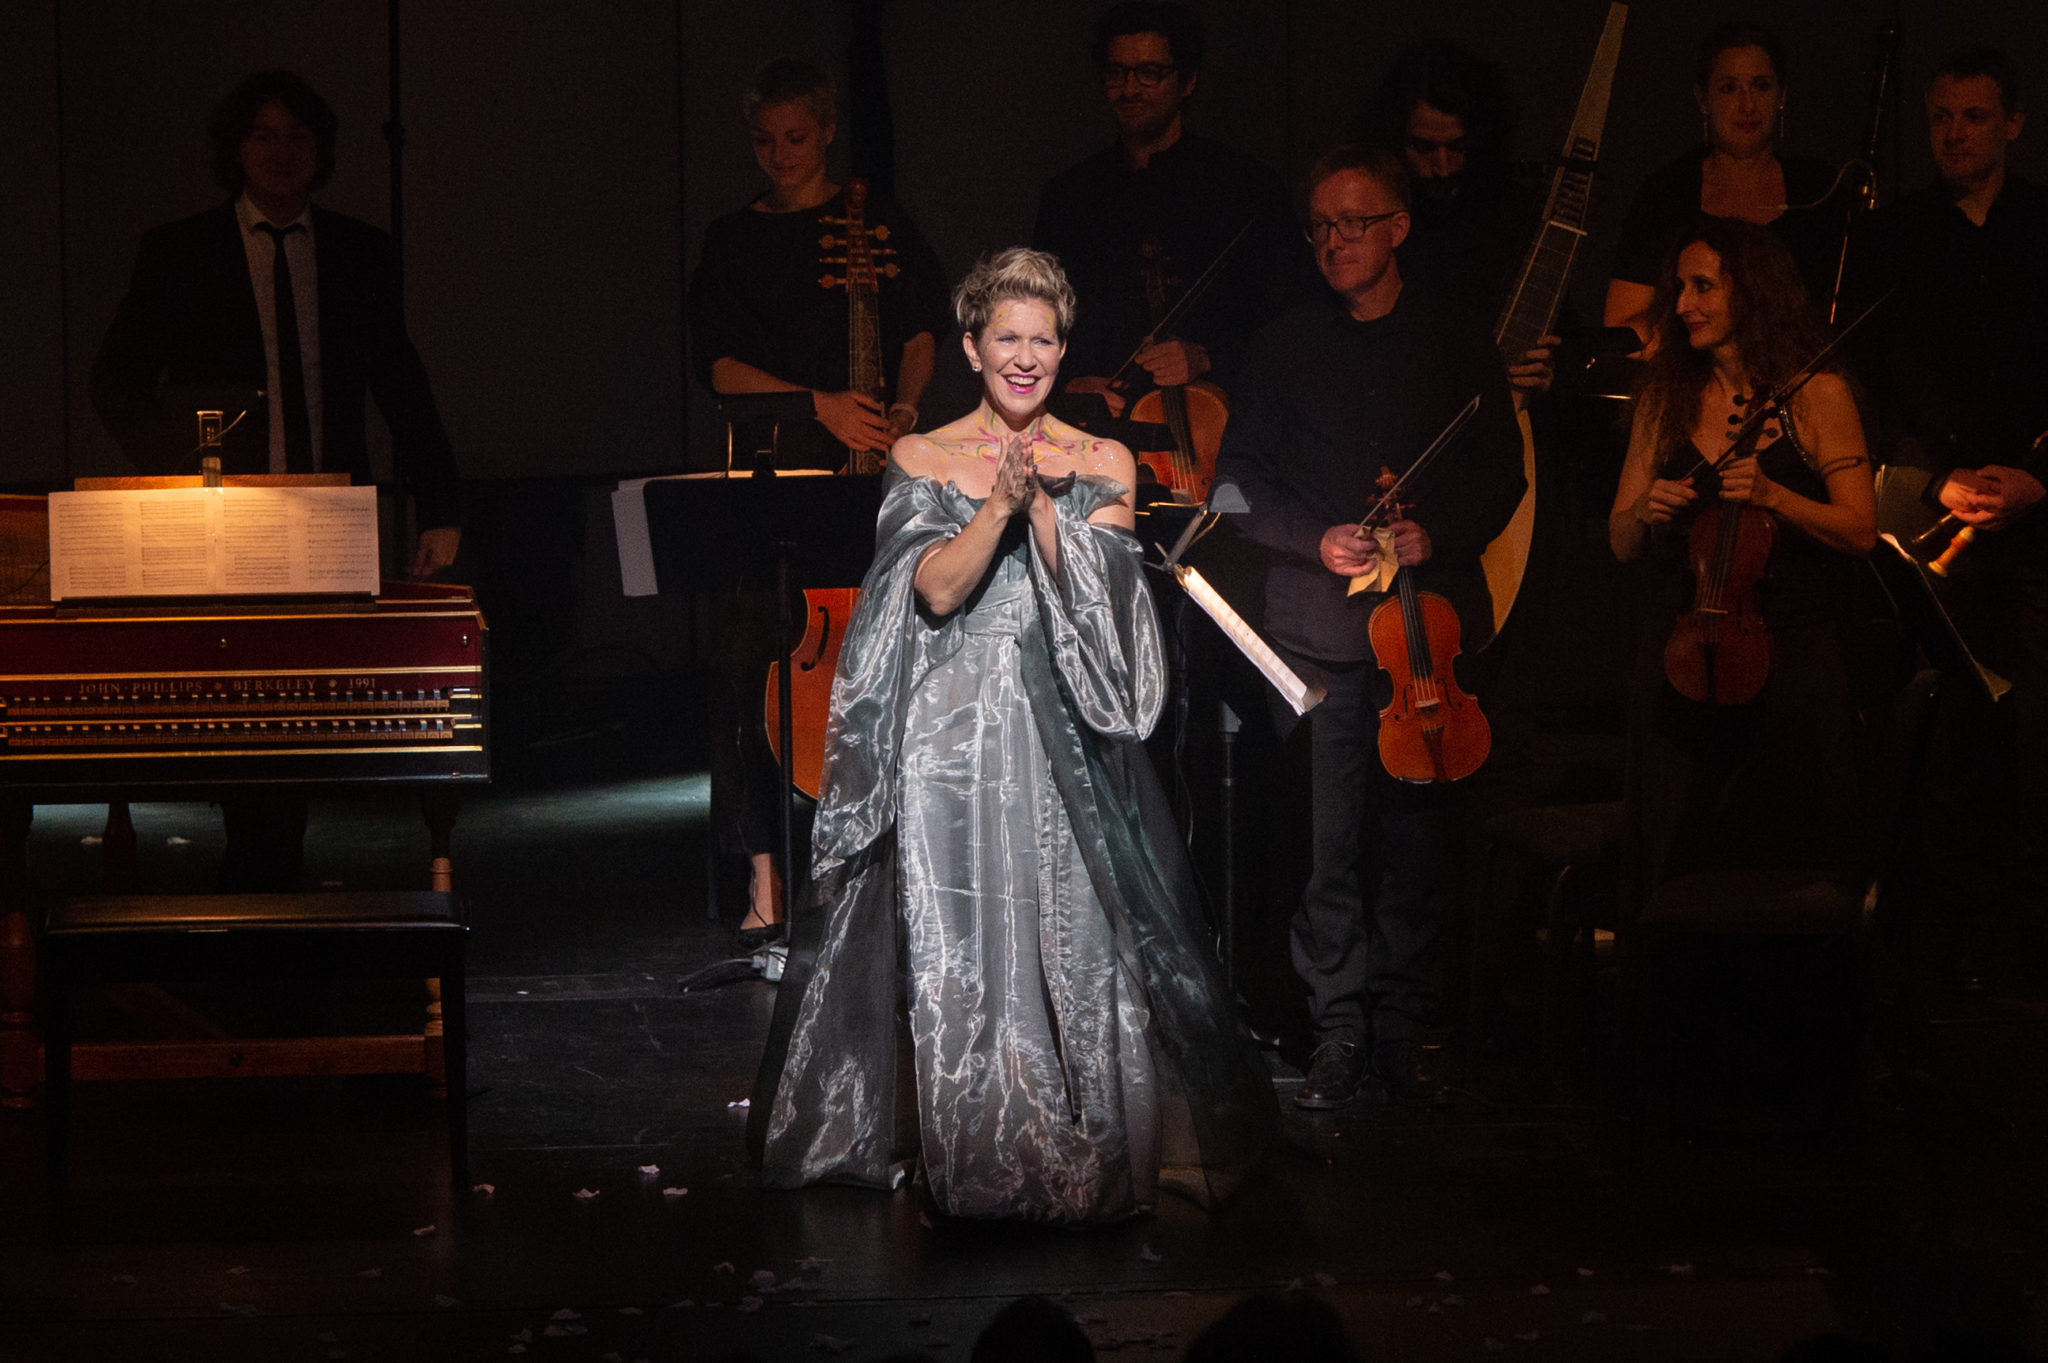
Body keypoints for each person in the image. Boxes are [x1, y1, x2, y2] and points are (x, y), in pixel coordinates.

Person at [748, 248, 1274, 1221]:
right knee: (964, 943)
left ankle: (1086, 1148)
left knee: (1077, 938)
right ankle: (981, 1154)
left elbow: (1113, 619)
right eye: (1006, 340)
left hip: (1065, 725)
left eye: (1042, 340)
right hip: (949, 734)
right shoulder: (921, 458)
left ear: (1062, 349)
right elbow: (934, 589)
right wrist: (997, 504)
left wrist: (1045, 518)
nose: (1023, 358)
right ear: (971, 347)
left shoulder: (1104, 461)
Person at [89, 70, 463, 892]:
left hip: (329, 509)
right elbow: (113, 380)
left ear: (321, 151)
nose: (281, 153)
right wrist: (179, 470)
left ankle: (272, 879)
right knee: (239, 698)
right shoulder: (181, 249)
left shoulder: (361, 251)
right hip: (223, 516)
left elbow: (402, 385)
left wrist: (440, 507)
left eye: (298, 137)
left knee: (307, 705)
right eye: (262, 135)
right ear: (233, 149)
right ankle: (260, 878)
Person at [1213, 146, 1526, 1109]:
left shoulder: (1456, 338)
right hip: (1320, 633)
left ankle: (1406, 1023)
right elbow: (1233, 488)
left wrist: (1438, 531)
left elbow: (1501, 470)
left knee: (1417, 842)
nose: (1334, 242)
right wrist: (1317, 538)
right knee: (1328, 841)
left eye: (1354, 224)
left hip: (1428, 632)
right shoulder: (1280, 344)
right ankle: (1339, 1026)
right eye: (1320, 228)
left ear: (1398, 228)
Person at [687, 58, 949, 940]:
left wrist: (903, 405)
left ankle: (890, 862)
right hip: (777, 470)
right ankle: (766, 876)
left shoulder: (876, 221)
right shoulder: (734, 240)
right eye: (763, 141)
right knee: (745, 665)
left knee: (890, 665)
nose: (779, 155)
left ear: (827, 133)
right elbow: (720, 368)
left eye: (795, 138)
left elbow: (920, 326)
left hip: (871, 476)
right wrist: (818, 406)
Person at [1846, 45, 2048, 996]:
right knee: (1952, 740)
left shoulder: (2043, 226)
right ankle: (1959, 941)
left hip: (2041, 519)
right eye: (1941, 119)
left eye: (1975, 116)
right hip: (1940, 524)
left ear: (2013, 122)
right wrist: (1935, 483)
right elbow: (1870, 387)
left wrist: (2038, 479)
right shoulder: (1896, 240)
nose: (1956, 134)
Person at [1608, 218, 1877, 930]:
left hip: (1789, 663)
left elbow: (1860, 528)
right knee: (1680, 861)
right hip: (1679, 659)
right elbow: (1619, 539)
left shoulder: (1816, 394)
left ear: (1751, 293)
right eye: (1680, 289)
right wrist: (1645, 510)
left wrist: (1775, 496)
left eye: (1704, 287)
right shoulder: (1664, 399)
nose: (1685, 304)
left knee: (1787, 870)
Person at [1032, 2, 1300, 421]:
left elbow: (1287, 320)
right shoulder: (1068, 196)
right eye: (1116, 73)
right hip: (1098, 428)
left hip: (1218, 424)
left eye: (1150, 73)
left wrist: (1206, 358)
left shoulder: (1245, 187)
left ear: (1187, 81)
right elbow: (1039, 319)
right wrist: (1069, 380)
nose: (1130, 88)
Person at [1604, 22, 1843, 341]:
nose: (1747, 105)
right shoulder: (1665, 195)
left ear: (1782, 95)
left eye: (1761, 86)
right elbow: (1621, 330)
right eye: (1729, 88)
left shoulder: (1821, 191)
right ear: (1703, 99)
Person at [1357, 41, 1558, 402]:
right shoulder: (1368, 213)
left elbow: (1557, 332)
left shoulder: (1514, 212)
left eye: (1458, 147)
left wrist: (1548, 367)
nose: (1444, 167)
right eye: (1423, 148)